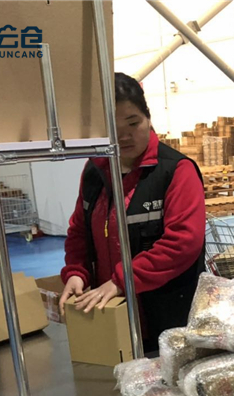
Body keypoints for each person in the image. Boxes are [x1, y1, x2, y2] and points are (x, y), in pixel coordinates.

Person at [59, 73, 206, 351]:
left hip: (167, 320)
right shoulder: (94, 171)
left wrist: (121, 281)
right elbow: (79, 231)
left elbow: (183, 242)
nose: (124, 136)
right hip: (112, 316)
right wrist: (77, 273)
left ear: (148, 118)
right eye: (112, 128)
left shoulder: (175, 171)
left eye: (133, 122)